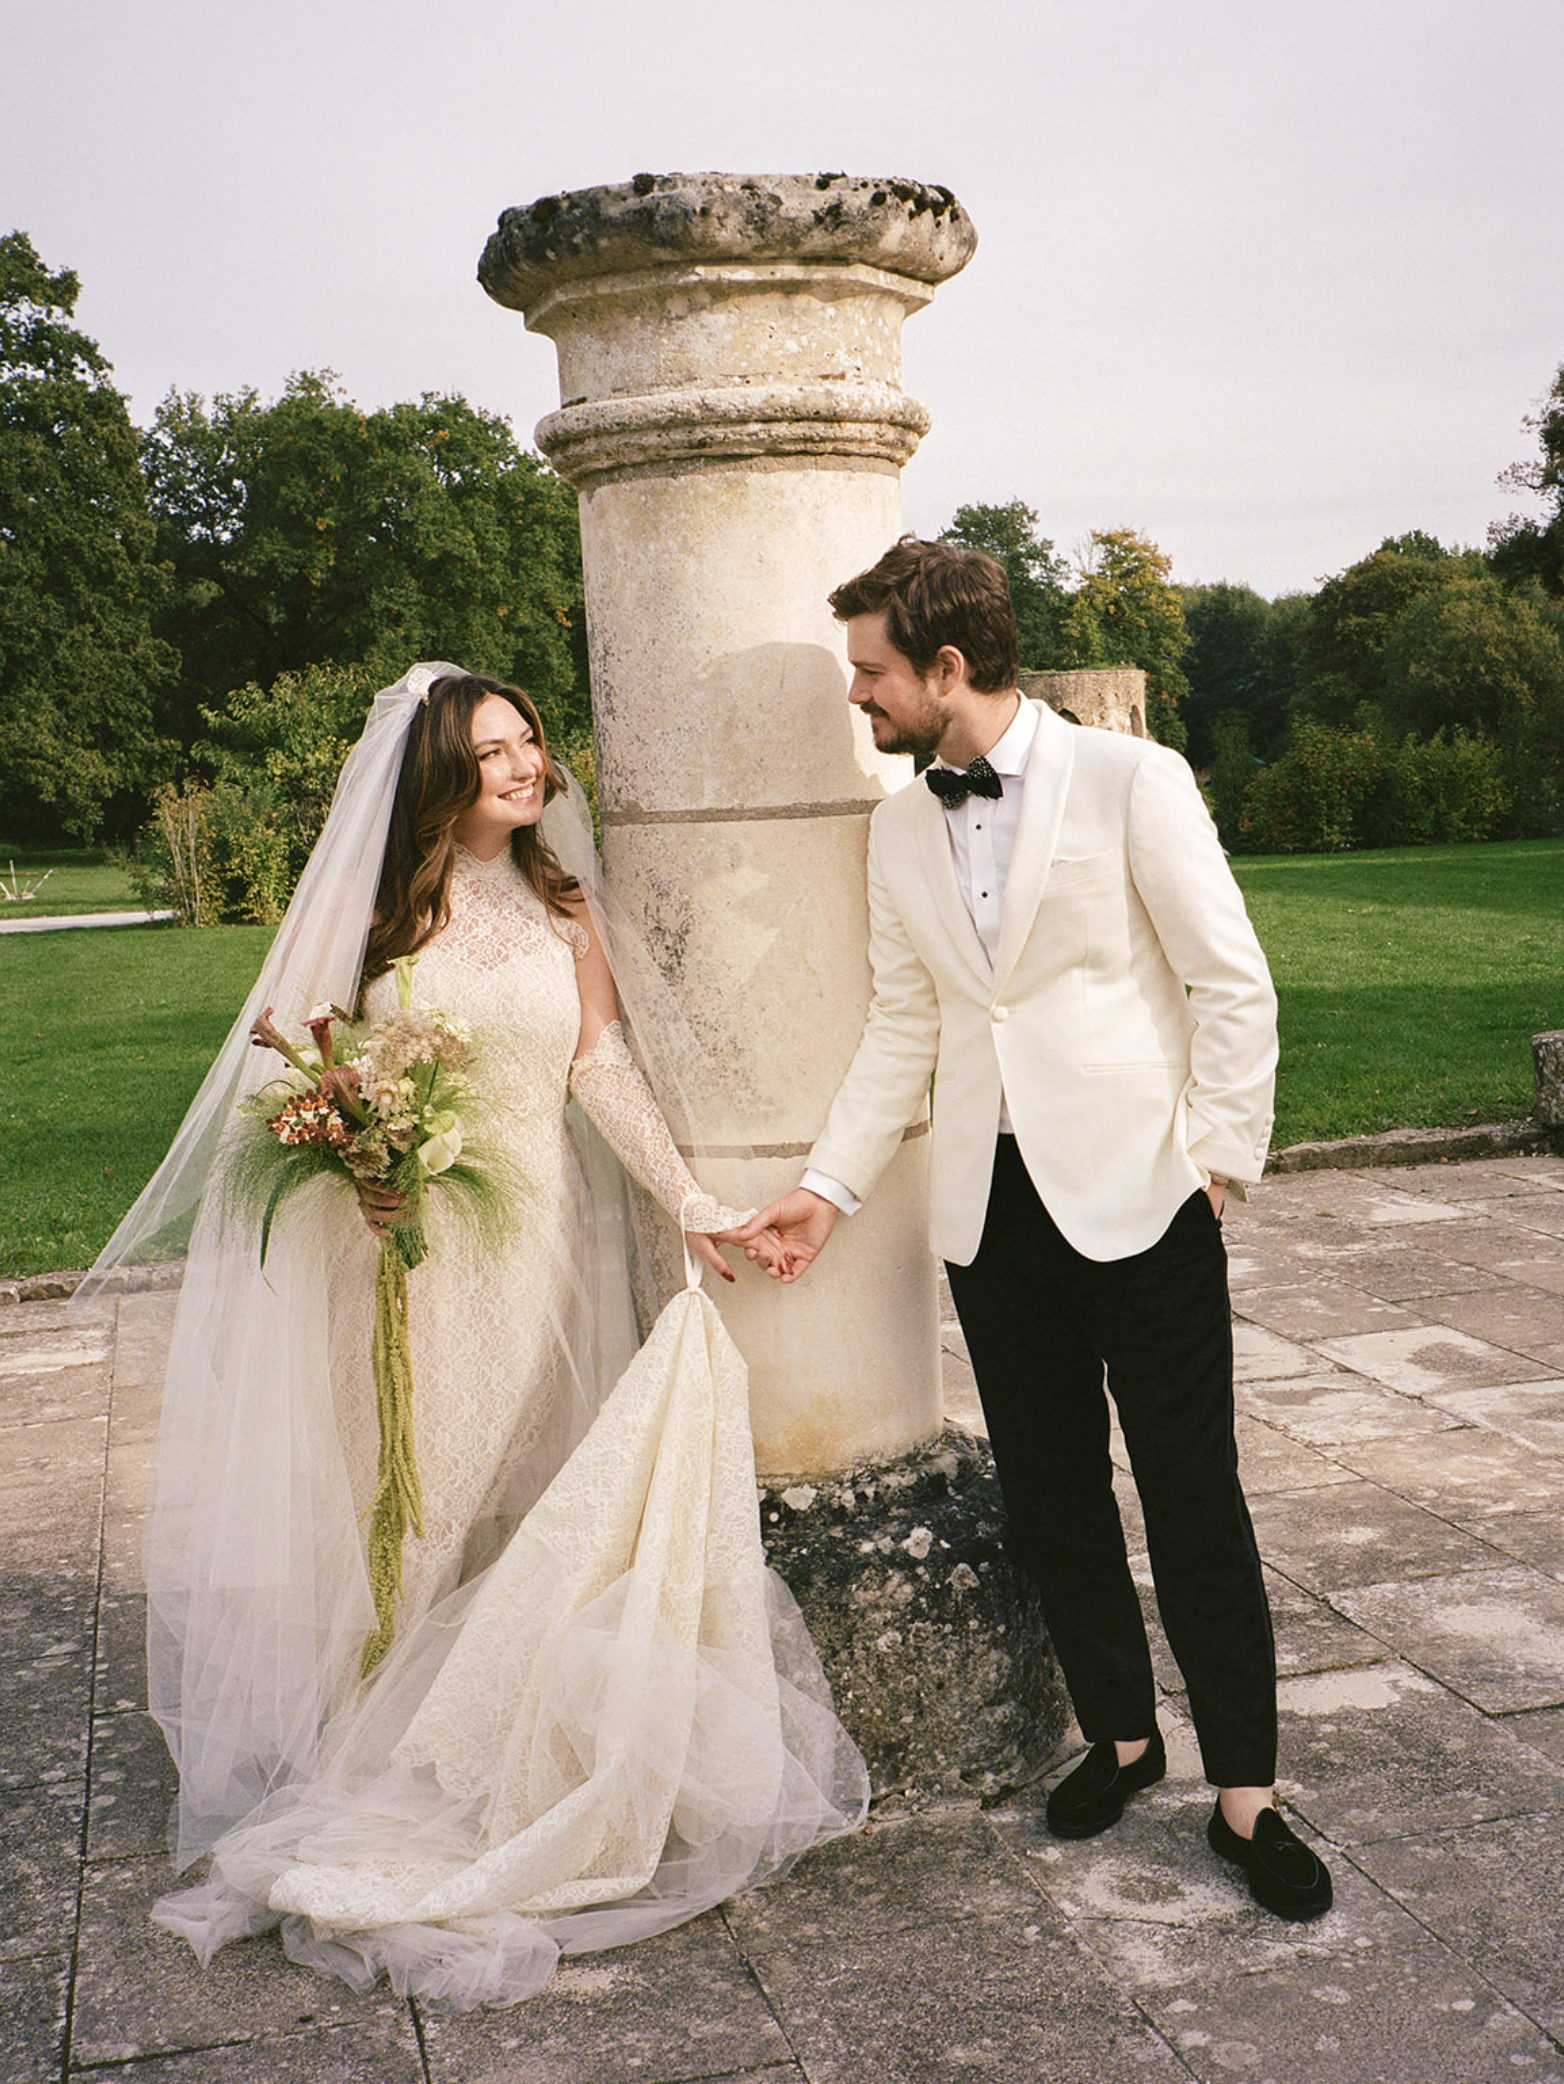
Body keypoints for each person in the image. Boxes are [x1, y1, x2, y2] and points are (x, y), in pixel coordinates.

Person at [82, 665, 867, 2007]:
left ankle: (491, 1748)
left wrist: (686, 1201)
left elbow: (596, 1066)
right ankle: (378, 1758)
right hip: (411, 1256)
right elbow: (294, 1080)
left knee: (536, 1493)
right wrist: (355, 1162)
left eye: (531, 743)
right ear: (438, 771)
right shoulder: (373, 914)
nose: (522, 767)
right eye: (493, 751)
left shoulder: (564, 906)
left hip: (543, 1241)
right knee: (420, 1494)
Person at [741, 539, 1332, 1921]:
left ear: (948, 668)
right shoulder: (895, 826)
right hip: (987, 1211)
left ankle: (1247, 1797)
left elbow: (1232, 987)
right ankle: (1124, 1740)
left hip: (1145, 1195)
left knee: (1194, 1498)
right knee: (1053, 1494)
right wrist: (826, 1189)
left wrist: (1213, 1165)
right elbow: (907, 1022)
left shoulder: (1136, 781)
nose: (857, 698)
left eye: (871, 673)